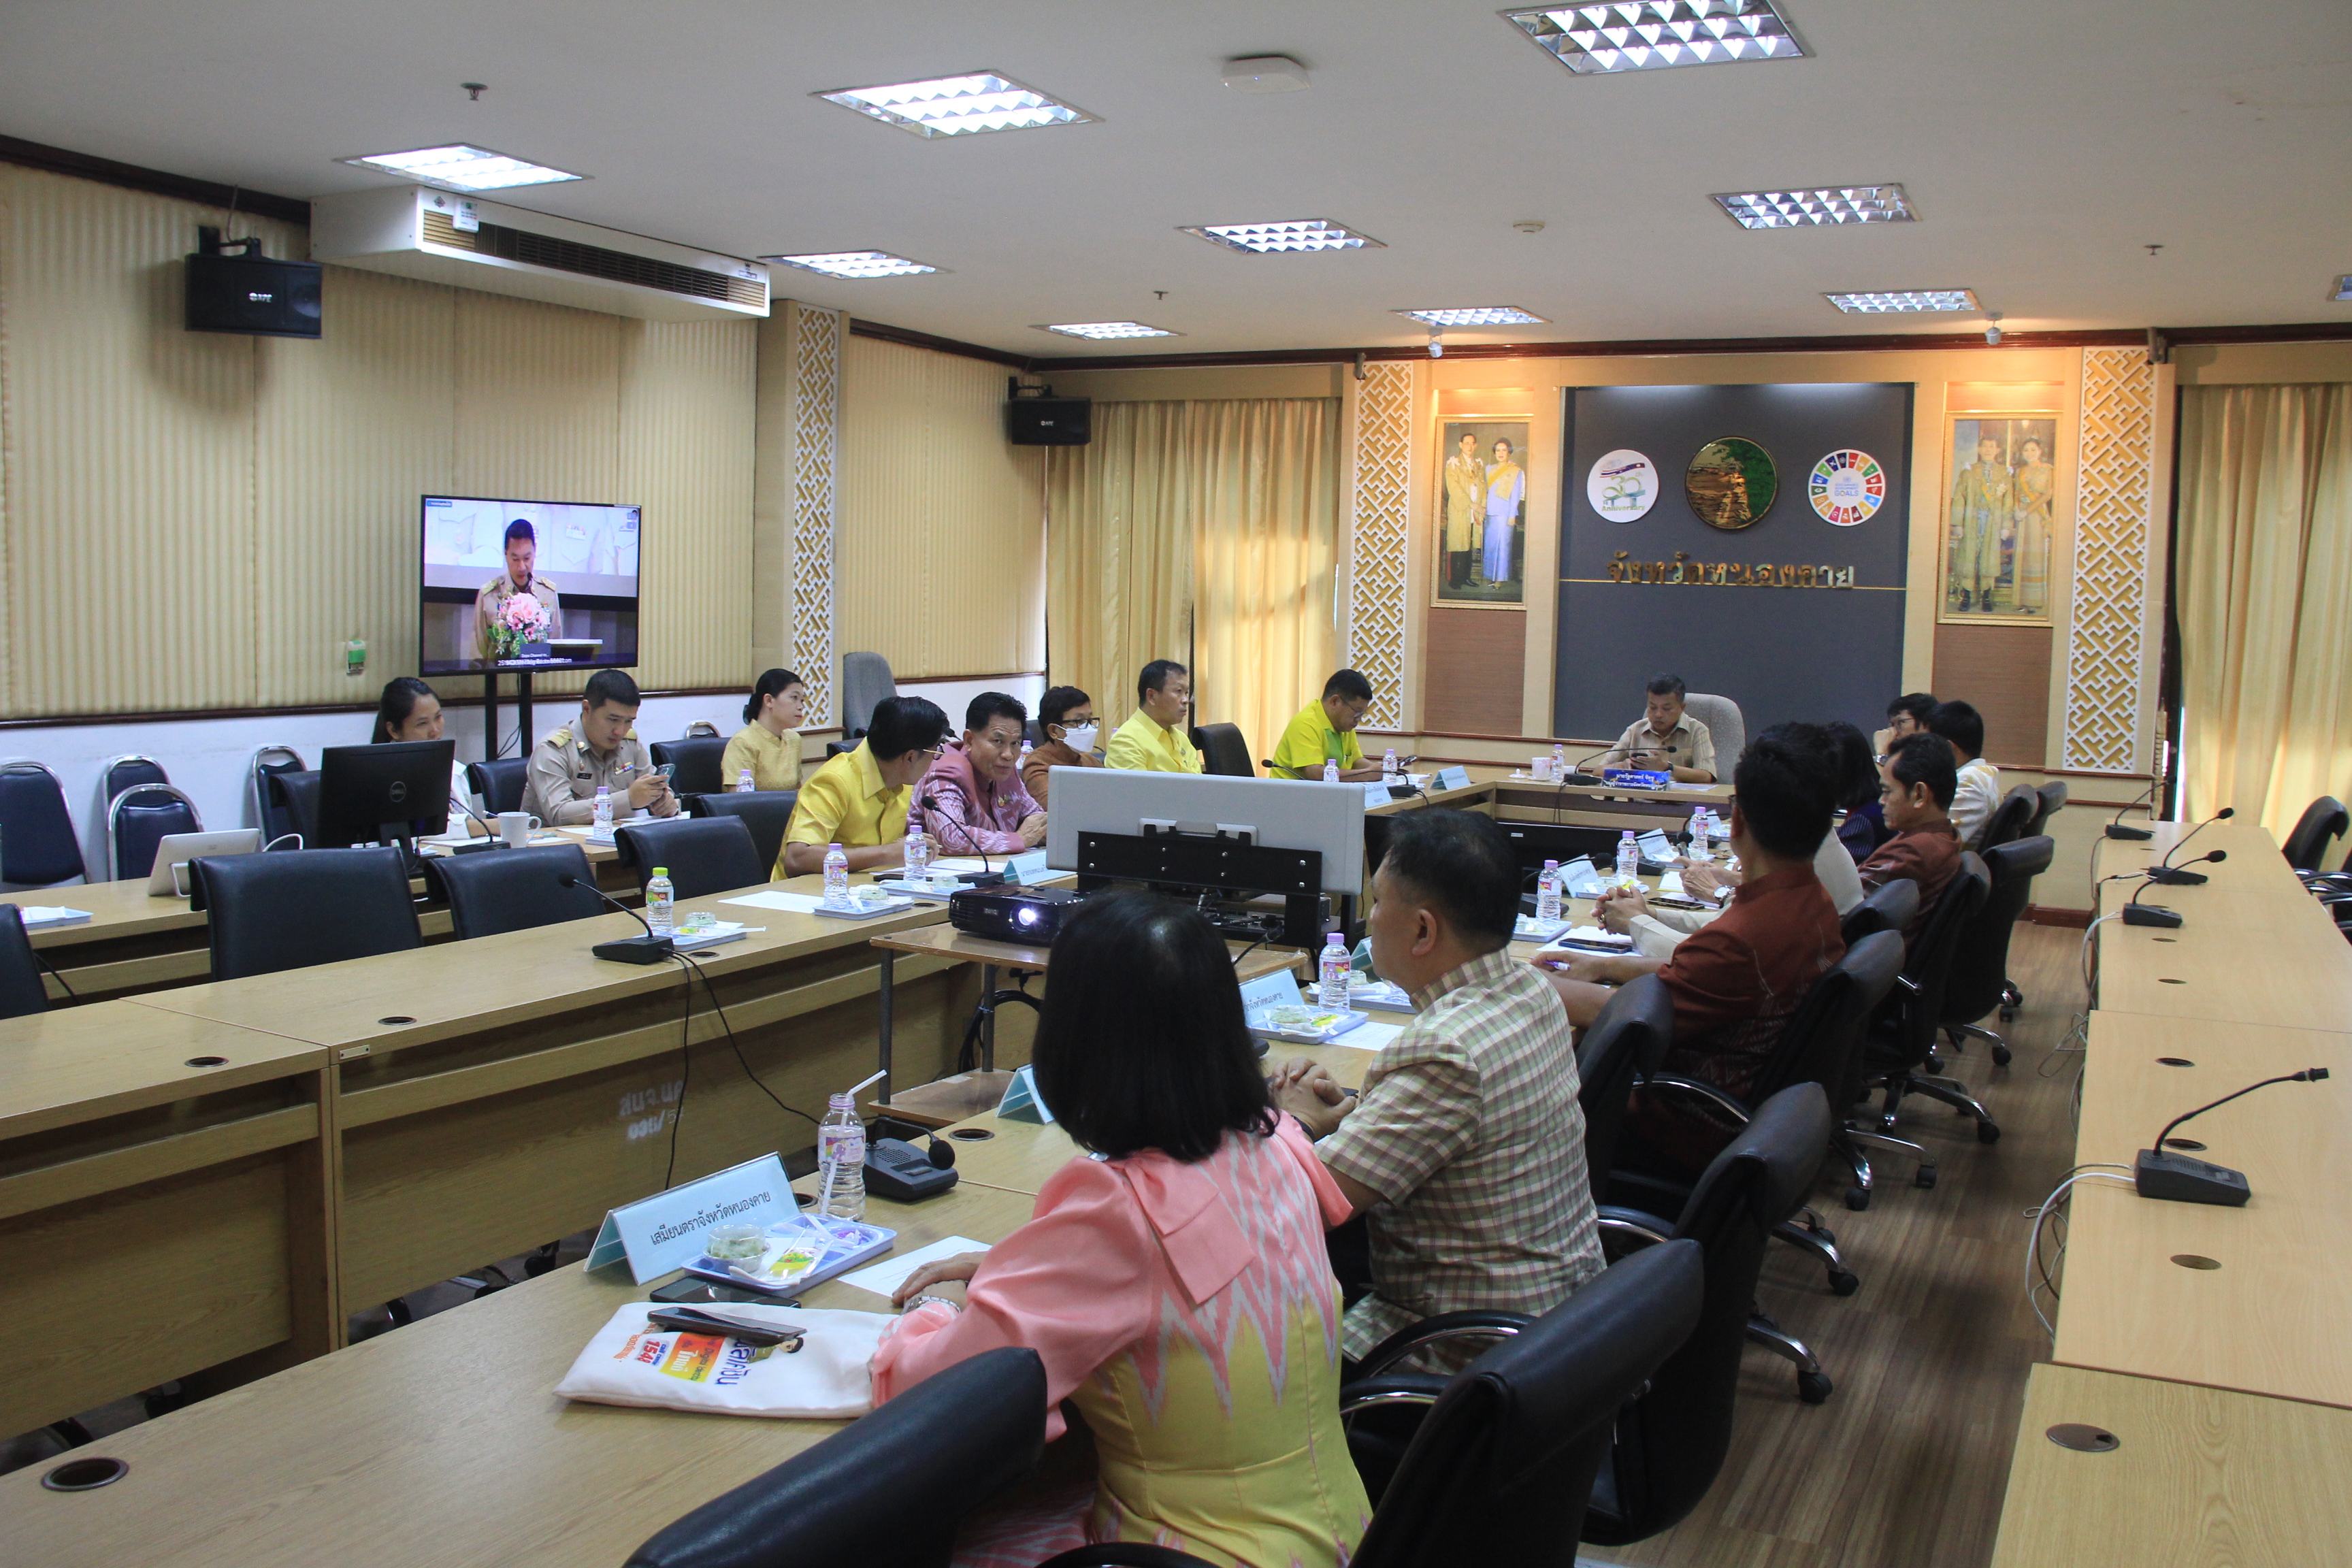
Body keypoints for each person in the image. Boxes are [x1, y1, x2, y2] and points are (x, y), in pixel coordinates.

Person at [872, 894, 1369, 1568]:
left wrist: (931, 1314)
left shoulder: (1117, 1212)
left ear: (1076, 1040)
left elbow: (932, 1393)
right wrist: (1021, 1269)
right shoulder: (1279, 1142)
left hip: (1196, 1556)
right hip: (1343, 1536)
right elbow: (1185, 1273)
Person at [1269, 809, 1604, 1367]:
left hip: (1465, 1346)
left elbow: (1300, 1203)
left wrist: (1294, 1121)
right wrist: (1353, 1109)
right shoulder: (1530, 989)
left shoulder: (1444, 1051)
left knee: (1240, 1362)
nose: (1370, 920)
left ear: (1423, 930)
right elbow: (1459, 1126)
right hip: (1556, 1314)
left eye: (1377, 903)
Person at [1540, 725, 1845, 1169]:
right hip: (1745, 1107)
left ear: (1737, 820)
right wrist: (1598, 964)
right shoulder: (1812, 901)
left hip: (1677, 1124)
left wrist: (1524, 981)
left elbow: (1624, 1020)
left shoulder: (1742, 938)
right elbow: (1686, 980)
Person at [1598, 722, 1867, 959]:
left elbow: (1694, 955)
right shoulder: (1807, 885)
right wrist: (1648, 915)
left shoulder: (1764, 921)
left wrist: (1635, 922)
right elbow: (1718, 927)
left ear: (1737, 820)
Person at [778, 695, 949, 877]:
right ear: (910, 757)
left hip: (869, 890)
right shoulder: (834, 780)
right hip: (809, 894)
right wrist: (888, 853)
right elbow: (798, 858)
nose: (934, 759)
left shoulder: (901, 779)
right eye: (935, 750)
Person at [523, 668, 676, 828]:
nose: (620, 731)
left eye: (628, 721)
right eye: (613, 719)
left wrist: (665, 803)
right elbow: (559, 814)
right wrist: (629, 799)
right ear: (587, 709)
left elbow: (656, 787)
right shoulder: (553, 750)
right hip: (556, 848)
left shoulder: (629, 743)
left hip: (613, 844)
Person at [1859, 734, 1964, 949]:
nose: (1881, 800)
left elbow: (1846, 907)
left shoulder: (1913, 852)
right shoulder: (1944, 835)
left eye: (1888, 791)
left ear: (1919, 795)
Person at [917, 693, 1047, 855]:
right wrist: (1019, 840)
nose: (1009, 754)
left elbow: (1039, 820)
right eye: (998, 741)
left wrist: (1038, 832)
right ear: (970, 740)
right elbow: (951, 839)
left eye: (1015, 743)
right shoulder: (946, 774)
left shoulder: (1004, 770)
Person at [372, 675, 481, 834]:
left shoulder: (454, 772)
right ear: (394, 731)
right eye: (422, 723)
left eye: (438, 717)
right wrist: (497, 826)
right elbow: (424, 833)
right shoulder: (384, 779)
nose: (435, 730)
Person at [473, 519, 564, 662]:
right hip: (498, 679)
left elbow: (555, 647)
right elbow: (481, 651)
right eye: (515, 559)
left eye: (527, 558)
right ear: (506, 555)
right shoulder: (488, 595)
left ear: (535, 552)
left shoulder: (548, 593)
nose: (522, 567)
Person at [1269, 669, 1382, 781]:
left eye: (1362, 713)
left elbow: (1356, 761)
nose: (1359, 719)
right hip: (1289, 795)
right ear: (1335, 701)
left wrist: (1381, 770)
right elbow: (1315, 774)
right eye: (1356, 712)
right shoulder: (1305, 723)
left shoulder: (1344, 725)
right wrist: (1367, 774)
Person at [1607, 673, 1717, 784]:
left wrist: (1668, 768)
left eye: (1667, 709)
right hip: (1641, 799)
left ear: (1682, 708)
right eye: (1653, 707)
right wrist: (1621, 767)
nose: (1658, 714)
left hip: (1681, 800)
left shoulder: (1697, 730)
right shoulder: (1635, 730)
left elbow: (1706, 776)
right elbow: (1599, 770)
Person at [1102, 659, 1203, 773]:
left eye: (1186, 693)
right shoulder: (1126, 742)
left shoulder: (1181, 738)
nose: (1185, 700)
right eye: (1178, 691)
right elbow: (1136, 790)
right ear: (1151, 696)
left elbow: (1199, 785)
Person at [1948, 435, 2012, 614]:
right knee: (1969, 555)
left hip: (1993, 521)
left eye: (1992, 446)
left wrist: (2006, 525)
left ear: (1997, 450)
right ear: (1979, 449)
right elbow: (1959, 498)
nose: (1988, 450)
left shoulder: (2005, 474)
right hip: (1972, 520)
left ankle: (1986, 596)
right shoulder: (1969, 471)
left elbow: (2008, 501)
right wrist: (1958, 523)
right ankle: (1966, 595)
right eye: (1985, 446)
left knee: (1989, 557)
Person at [1929, 699, 2002, 847]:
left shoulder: (1968, 782)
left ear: (1949, 748)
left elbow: (1935, 845)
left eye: (1930, 744)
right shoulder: (1983, 774)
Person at [721, 668, 806, 794]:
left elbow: (797, 791)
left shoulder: (794, 739)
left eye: (802, 700)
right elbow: (738, 801)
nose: (801, 707)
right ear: (769, 701)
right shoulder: (743, 742)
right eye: (794, 698)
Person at [1020, 685, 1101, 810]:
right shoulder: (1038, 765)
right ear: (1054, 731)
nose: (1088, 728)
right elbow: (1057, 809)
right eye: (1079, 721)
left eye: (1090, 720)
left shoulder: (1091, 762)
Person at [2013, 436, 2054, 614]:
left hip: (2037, 514)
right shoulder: (2019, 472)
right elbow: (2015, 492)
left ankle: (2035, 601)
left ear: (2040, 451)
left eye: (2033, 450)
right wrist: (2016, 510)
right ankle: (2021, 600)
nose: (2030, 453)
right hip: (2022, 515)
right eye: (2026, 450)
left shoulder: (2047, 470)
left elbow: (2048, 495)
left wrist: (2027, 511)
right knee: (2022, 556)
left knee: (2035, 556)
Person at [1442, 430, 1486, 589]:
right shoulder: (1453, 464)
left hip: (1475, 511)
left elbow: (1483, 486)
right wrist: (1471, 504)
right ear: (1461, 445)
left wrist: (1481, 506)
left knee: (1470, 545)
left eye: (1472, 443)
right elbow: (1454, 488)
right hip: (1461, 509)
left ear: (1476, 446)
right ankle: (1455, 580)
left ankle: (1467, 577)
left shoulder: (1479, 464)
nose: (1470, 446)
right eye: (1466, 443)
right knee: (1458, 545)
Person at [1480, 436, 1524, 585]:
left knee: (1503, 547)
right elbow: (1484, 490)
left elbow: (1516, 495)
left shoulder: (1515, 471)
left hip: (1505, 514)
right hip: (1490, 513)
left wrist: (1512, 515)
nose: (1500, 453)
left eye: (1504, 450)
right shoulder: (1488, 469)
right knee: (1490, 546)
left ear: (1509, 452)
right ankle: (1490, 575)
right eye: (1498, 450)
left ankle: (1500, 579)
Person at [1874, 691, 1938, 760]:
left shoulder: (1933, 758)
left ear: (1925, 724)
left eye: (1900, 722)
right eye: (1892, 724)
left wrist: (1881, 754)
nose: (1893, 731)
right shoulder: (1901, 758)